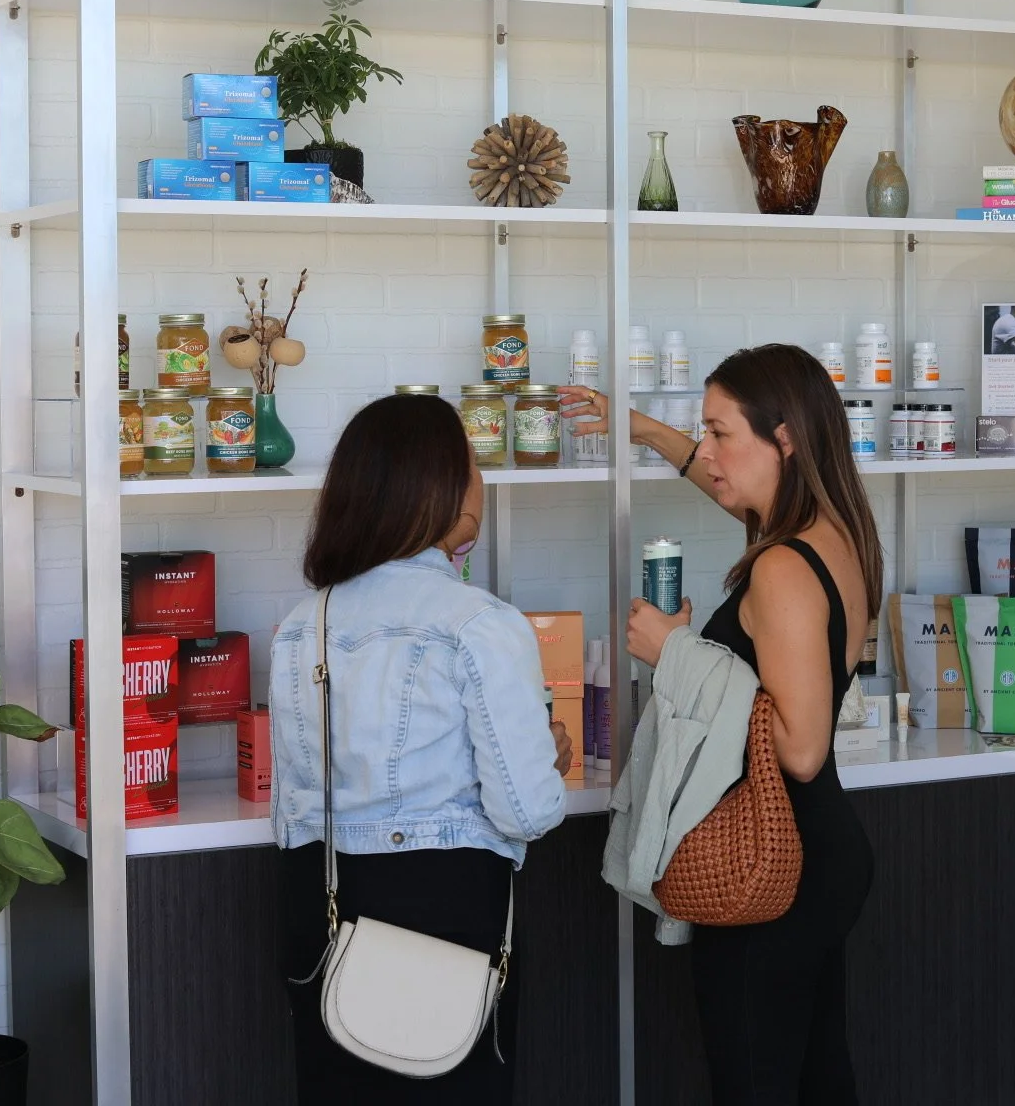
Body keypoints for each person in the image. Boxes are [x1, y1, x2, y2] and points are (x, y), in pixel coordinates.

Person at [562, 344, 881, 1105]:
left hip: (773, 863)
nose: (706, 453)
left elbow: (800, 749)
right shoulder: (834, 530)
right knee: (817, 1077)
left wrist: (674, 652)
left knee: (756, 1085)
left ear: (786, 438)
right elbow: (730, 491)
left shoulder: (780, 568)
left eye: (719, 433)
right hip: (820, 852)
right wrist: (644, 431)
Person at [272, 393, 574, 1105]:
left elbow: (299, 805)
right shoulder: (480, 624)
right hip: (444, 922)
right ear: (440, 489)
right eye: (473, 467)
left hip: (320, 921)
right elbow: (526, 811)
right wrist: (548, 759)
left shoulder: (300, 624)